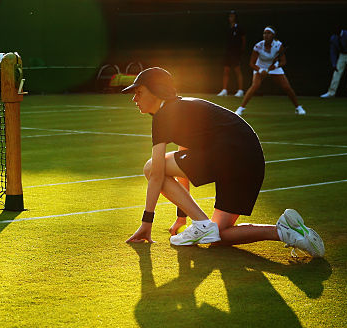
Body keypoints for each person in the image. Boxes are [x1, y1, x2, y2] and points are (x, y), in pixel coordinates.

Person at [122, 67, 324, 258]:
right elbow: (183, 165)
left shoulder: (164, 115)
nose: (134, 98)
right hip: (250, 161)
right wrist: (182, 216)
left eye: (139, 92)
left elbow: (157, 172)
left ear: (156, 91)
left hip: (232, 155)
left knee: (150, 167)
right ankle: (284, 231)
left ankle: (202, 224)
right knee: (219, 235)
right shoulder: (180, 109)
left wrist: (147, 222)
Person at [235, 27, 306, 116]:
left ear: (273, 35)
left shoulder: (278, 45)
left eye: (268, 33)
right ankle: (241, 108)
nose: (266, 35)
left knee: (286, 87)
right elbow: (252, 63)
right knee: (255, 86)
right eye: (264, 33)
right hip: (259, 66)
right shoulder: (258, 46)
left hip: (274, 67)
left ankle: (298, 107)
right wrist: (261, 70)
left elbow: (283, 61)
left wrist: (275, 66)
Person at [322, 28, 347, 98]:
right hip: (342, 54)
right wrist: (334, 64)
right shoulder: (333, 38)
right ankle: (331, 92)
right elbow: (332, 51)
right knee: (336, 72)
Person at [217, 10, 246, 97]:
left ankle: (240, 91)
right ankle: (224, 90)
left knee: (237, 71)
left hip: (236, 53)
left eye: (232, 16)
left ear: (235, 17)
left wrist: (240, 51)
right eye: (230, 16)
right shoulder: (228, 28)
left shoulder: (239, 28)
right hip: (228, 53)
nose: (230, 18)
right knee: (226, 71)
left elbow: (244, 40)